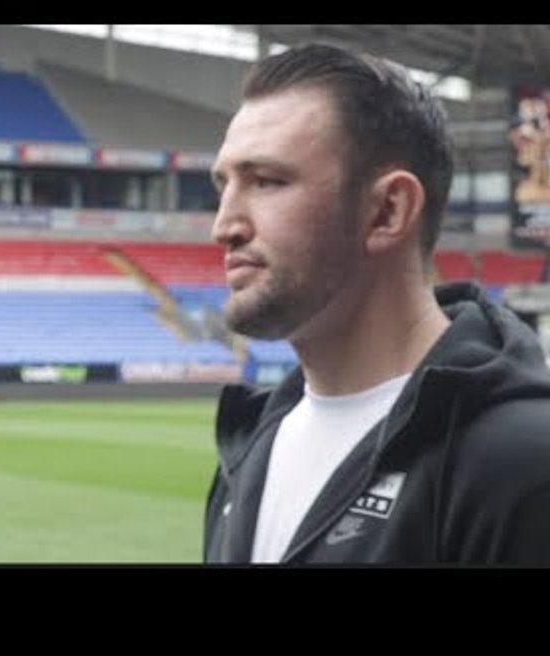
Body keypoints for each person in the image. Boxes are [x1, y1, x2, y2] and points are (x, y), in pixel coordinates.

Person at [203, 43, 550, 564]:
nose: (223, 226)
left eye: (267, 182)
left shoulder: (523, 465)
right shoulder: (248, 447)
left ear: (388, 211)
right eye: (223, 186)